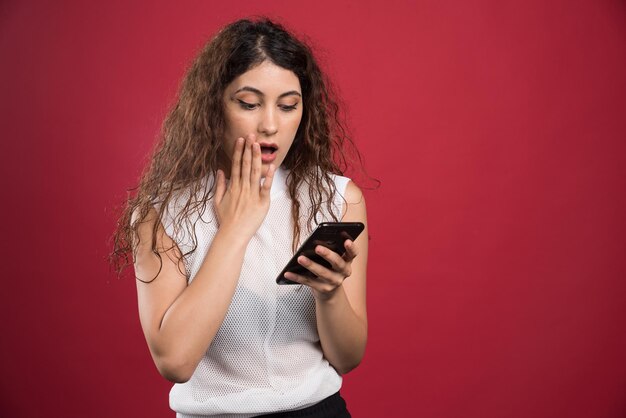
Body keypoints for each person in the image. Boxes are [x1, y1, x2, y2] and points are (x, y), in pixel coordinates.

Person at [111, 17, 368, 418]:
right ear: (214, 105)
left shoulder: (336, 199)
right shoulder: (160, 213)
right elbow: (175, 361)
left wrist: (330, 293)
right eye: (248, 104)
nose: (270, 124)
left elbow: (348, 358)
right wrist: (233, 230)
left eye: (288, 106)